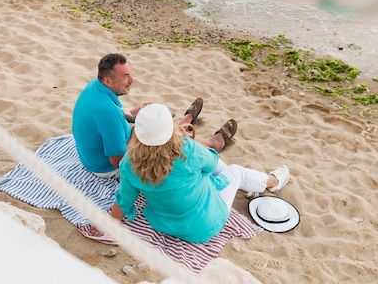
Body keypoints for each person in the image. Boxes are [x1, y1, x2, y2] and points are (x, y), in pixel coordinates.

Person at [88, 103, 290, 243]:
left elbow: (124, 199)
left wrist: (110, 222)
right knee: (234, 171)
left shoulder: (129, 164)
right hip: (207, 224)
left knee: (212, 172)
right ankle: (272, 182)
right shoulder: (187, 149)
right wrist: (188, 141)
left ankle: (252, 187)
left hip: (167, 225)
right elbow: (211, 165)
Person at [71, 53, 237, 179]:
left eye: (130, 74)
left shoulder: (95, 85)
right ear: (108, 81)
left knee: (157, 125)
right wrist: (136, 134)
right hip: (106, 168)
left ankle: (184, 127)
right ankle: (209, 143)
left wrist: (136, 111)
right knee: (168, 140)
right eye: (125, 76)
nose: (132, 80)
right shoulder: (109, 115)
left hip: (95, 152)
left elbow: (111, 119)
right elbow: (118, 162)